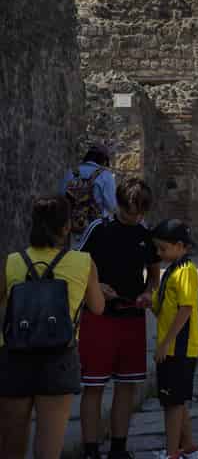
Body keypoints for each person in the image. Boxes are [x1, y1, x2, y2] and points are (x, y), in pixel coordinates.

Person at [0, 196, 105, 459]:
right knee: (48, 450)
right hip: (59, 355)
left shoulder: (11, 261)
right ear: (66, 227)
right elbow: (98, 307)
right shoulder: (84, 263)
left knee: (10, 448)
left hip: (15, 356)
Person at [78, 178, 160, 459]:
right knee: (94, 386)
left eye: (139, 213)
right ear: (118, 204)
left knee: (127, 385)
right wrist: (97, 287)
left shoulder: (144, 233)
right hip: (99, 317)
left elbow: (153, 272)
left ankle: (118, 448)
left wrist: (149, 292)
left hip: (132, 318)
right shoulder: (99, 229)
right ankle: (90, 450)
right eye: (129, 212)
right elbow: (78, 267)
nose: (133, 217)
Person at [149, 219, 198, 459]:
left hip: (178, 348)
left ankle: (172, 454)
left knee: (172, 404)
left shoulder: (186, 270)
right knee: (175, 400)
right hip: (171, 347)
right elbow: (163, 309)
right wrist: (148, 301)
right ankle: (188, 447)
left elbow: (185, 309)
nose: (159, 253)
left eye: (163, 248)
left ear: (180, 245)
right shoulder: (171, 269)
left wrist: (166, 344)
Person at [61, 144, 118, 247]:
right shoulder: (106, 176)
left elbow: (60, 199)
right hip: (97, 228)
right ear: (104, 160)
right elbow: (112, 205)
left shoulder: (71, 173)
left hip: (73, 227)